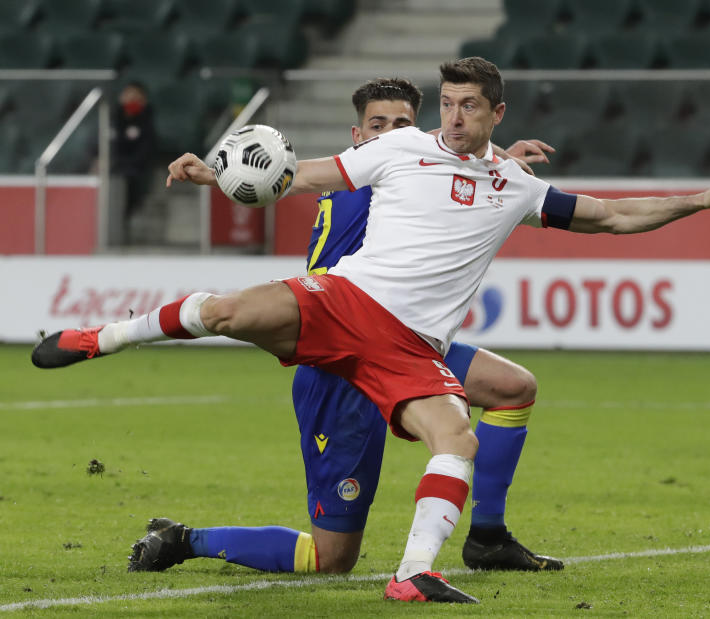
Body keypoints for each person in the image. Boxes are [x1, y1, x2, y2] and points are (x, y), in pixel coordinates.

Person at [33, 56, 710, 603]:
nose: (454, 116)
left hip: (411, 345)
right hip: (345, 303)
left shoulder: (515, 185)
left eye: (469, 106)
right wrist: (216, 174)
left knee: (449, 442)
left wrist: (698, 200)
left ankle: (415, 571)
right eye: (448, 104)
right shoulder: (399, 152)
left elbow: (614, 215)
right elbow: (300, 173)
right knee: (224, 311)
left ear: (496, 112)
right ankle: (101, 337)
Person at [122, 78, 563, 578]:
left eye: (401, 125)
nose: (389, 134)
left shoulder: (409, 171)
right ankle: (184, 539)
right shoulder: (366, 178)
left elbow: (453, 160)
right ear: (357, 136)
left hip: (401, 341)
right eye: (378, 125)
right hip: (339, 362)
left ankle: (487, 536)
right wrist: (212, 173)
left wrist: (496, 156)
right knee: (332, 560)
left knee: (512, 388)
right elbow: (278, 174)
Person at [112, 81, 157, 243]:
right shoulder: (113, 119)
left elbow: (145, 152)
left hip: (135, 170)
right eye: (127, 95)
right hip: (115, 168)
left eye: (135, 96)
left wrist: (125, 165)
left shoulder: (147, 122)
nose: (130, 99)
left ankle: (123, 227)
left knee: (129, 179)